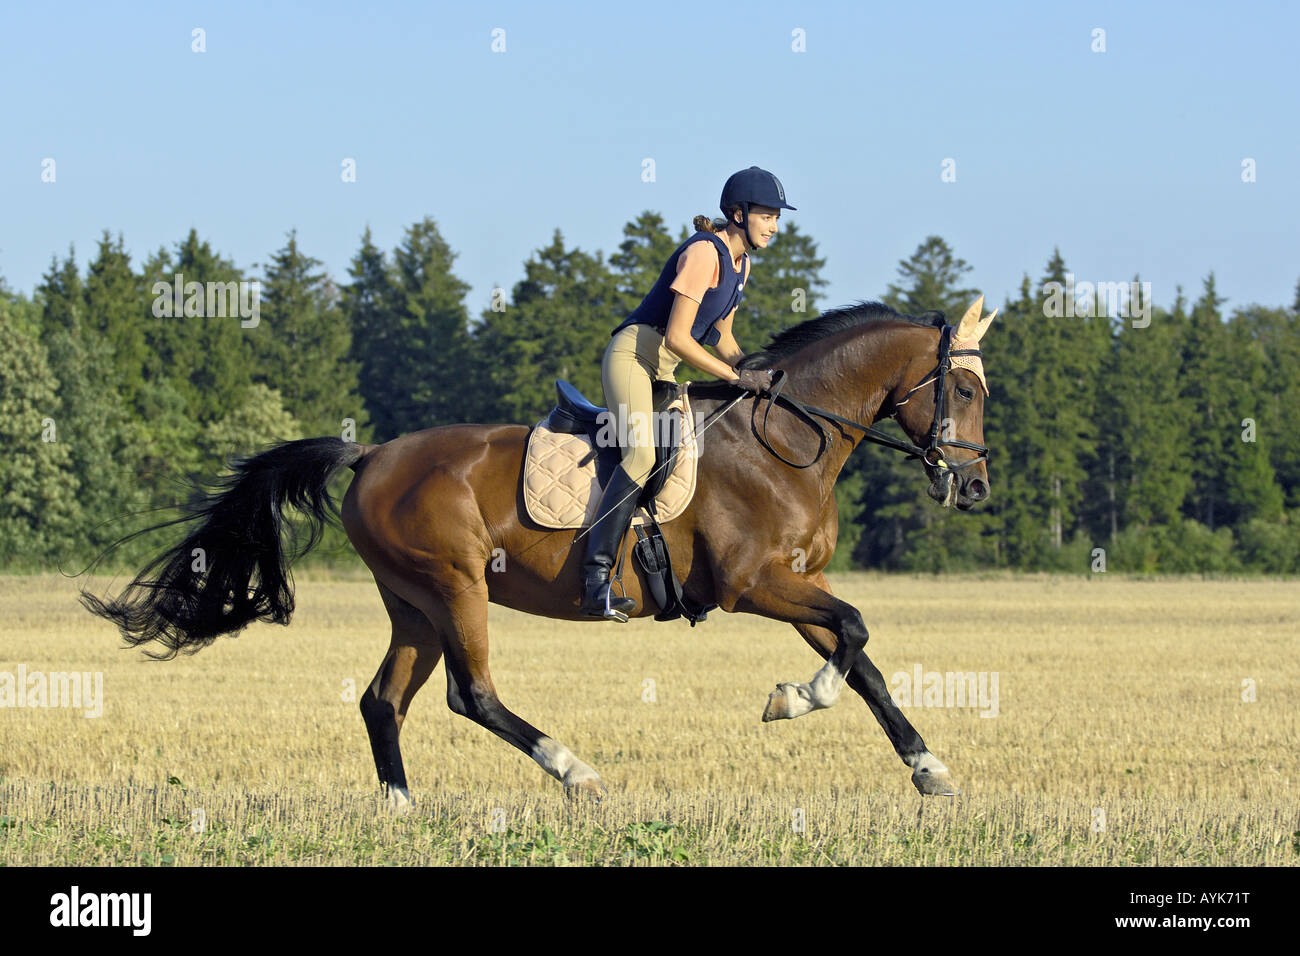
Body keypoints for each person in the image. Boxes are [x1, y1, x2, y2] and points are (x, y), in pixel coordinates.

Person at [579, 166, 795, 619]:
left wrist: (763, 373)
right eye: (767, 216)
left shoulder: (742, 265)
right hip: (633, 358)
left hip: (664, 371)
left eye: (777, 217)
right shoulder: (704, 253)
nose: (774, 226)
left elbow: (724, 340)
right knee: (641, 456)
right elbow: (678, 336)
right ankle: (596, 578)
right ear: (737, 214)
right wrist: (736, 379)